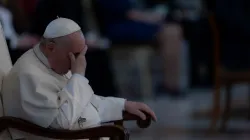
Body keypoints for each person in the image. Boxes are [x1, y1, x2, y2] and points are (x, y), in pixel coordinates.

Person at [1, 18, 156, 140]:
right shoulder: (28, 75)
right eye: (75, 55)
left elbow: (82, 101)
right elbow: (63, 123)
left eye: (82, 54)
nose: (79, 61)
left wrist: (123, 105)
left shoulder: (52, 61)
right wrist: (78, 76)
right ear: (50, 47)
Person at [94, 0, 184, 97]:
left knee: (173, 31)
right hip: (120, 25)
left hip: (138, 21)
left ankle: (170, 83)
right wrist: (150, 17)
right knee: (171, 32)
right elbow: (124, 12)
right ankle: (170, 84)